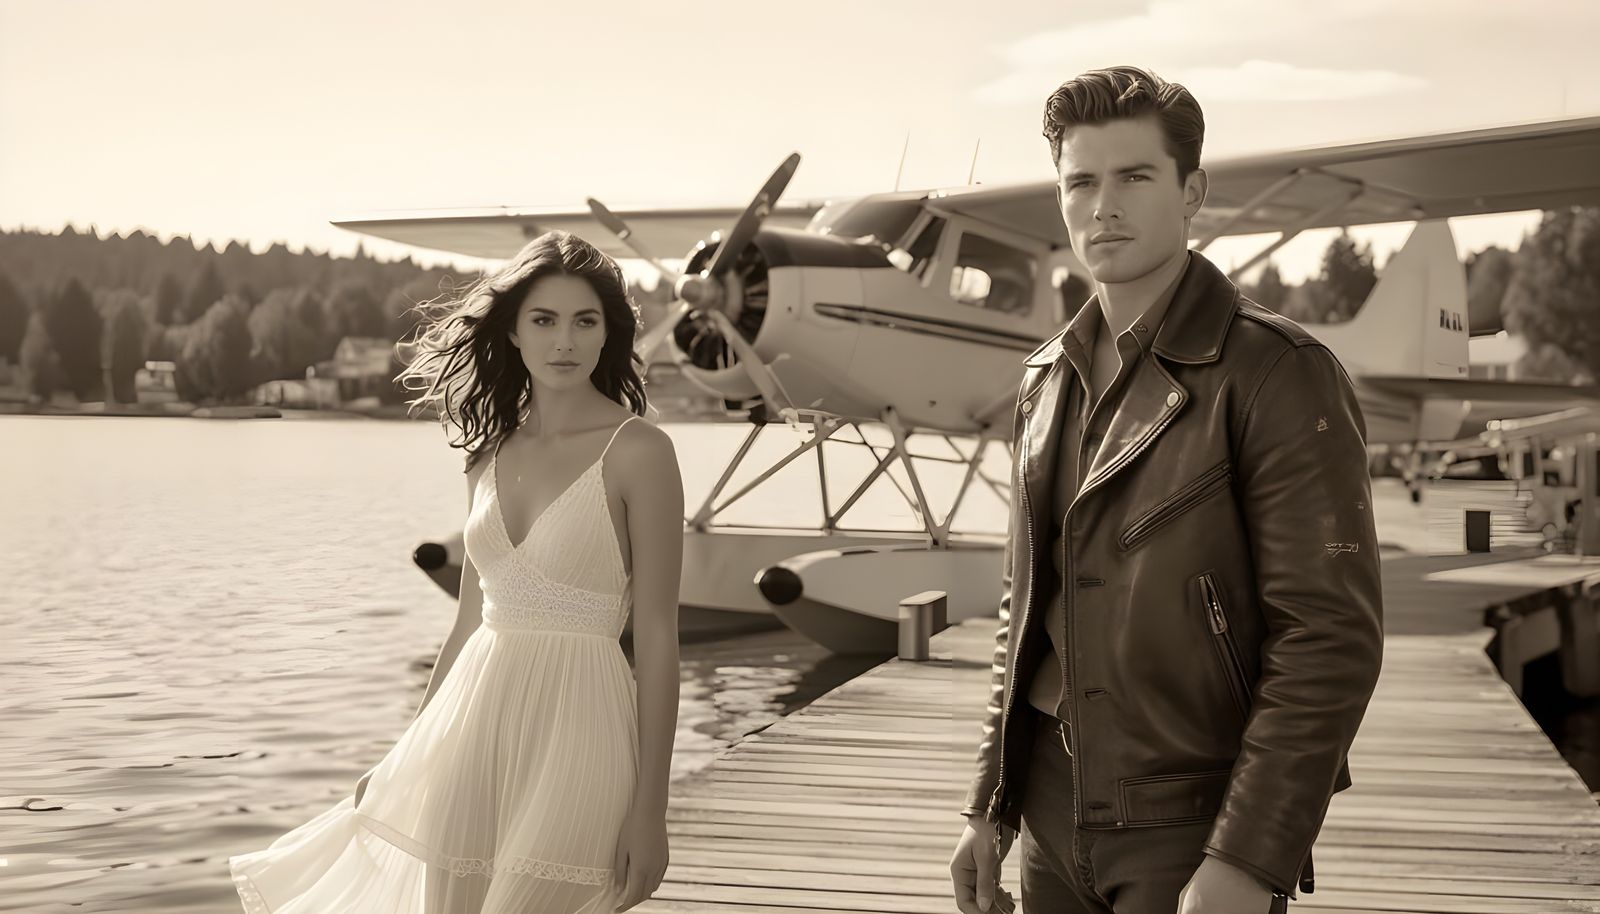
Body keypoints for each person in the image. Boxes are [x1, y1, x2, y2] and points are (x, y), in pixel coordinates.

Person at [949, 66, 1384, 914]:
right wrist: (988, 805)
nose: (1103, 205)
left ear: (1193, 193)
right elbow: (1024, 607)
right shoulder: (1044, 380)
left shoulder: (1278, 371)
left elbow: (1329, 637)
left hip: (1188, 822)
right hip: (1045, 806)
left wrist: (1250, 856)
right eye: (1081, 181)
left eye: (1134, 177)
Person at [229, 230, 685, 914]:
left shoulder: (639, 451)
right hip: (471, 734)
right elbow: (469, 623)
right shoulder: (487, 454)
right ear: (512, 332)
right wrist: (404, 758)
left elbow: (656, 640)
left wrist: (651, 811)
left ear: (608, 335)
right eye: (544, 320)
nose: (565, 341)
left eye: (585, 321)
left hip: (581, 731)